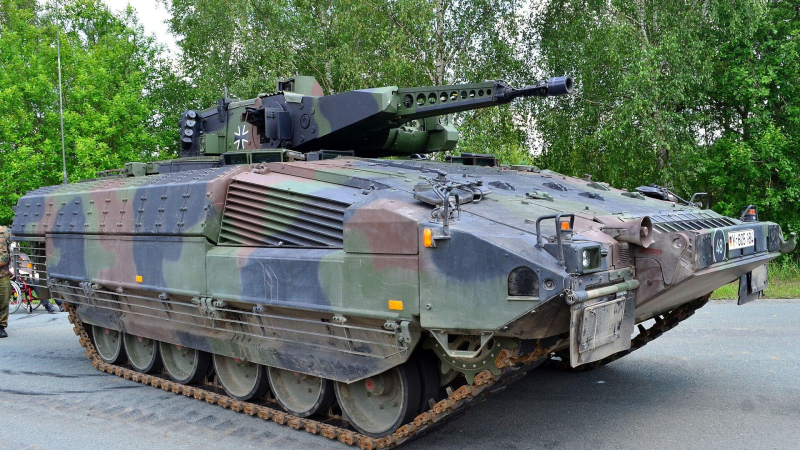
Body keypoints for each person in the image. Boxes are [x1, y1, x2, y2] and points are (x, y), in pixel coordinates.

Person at [0, 225, 11, 338]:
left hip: (3, 273)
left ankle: (1, 326)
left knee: (3, 299)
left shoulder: (4, 231)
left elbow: (12, 248)